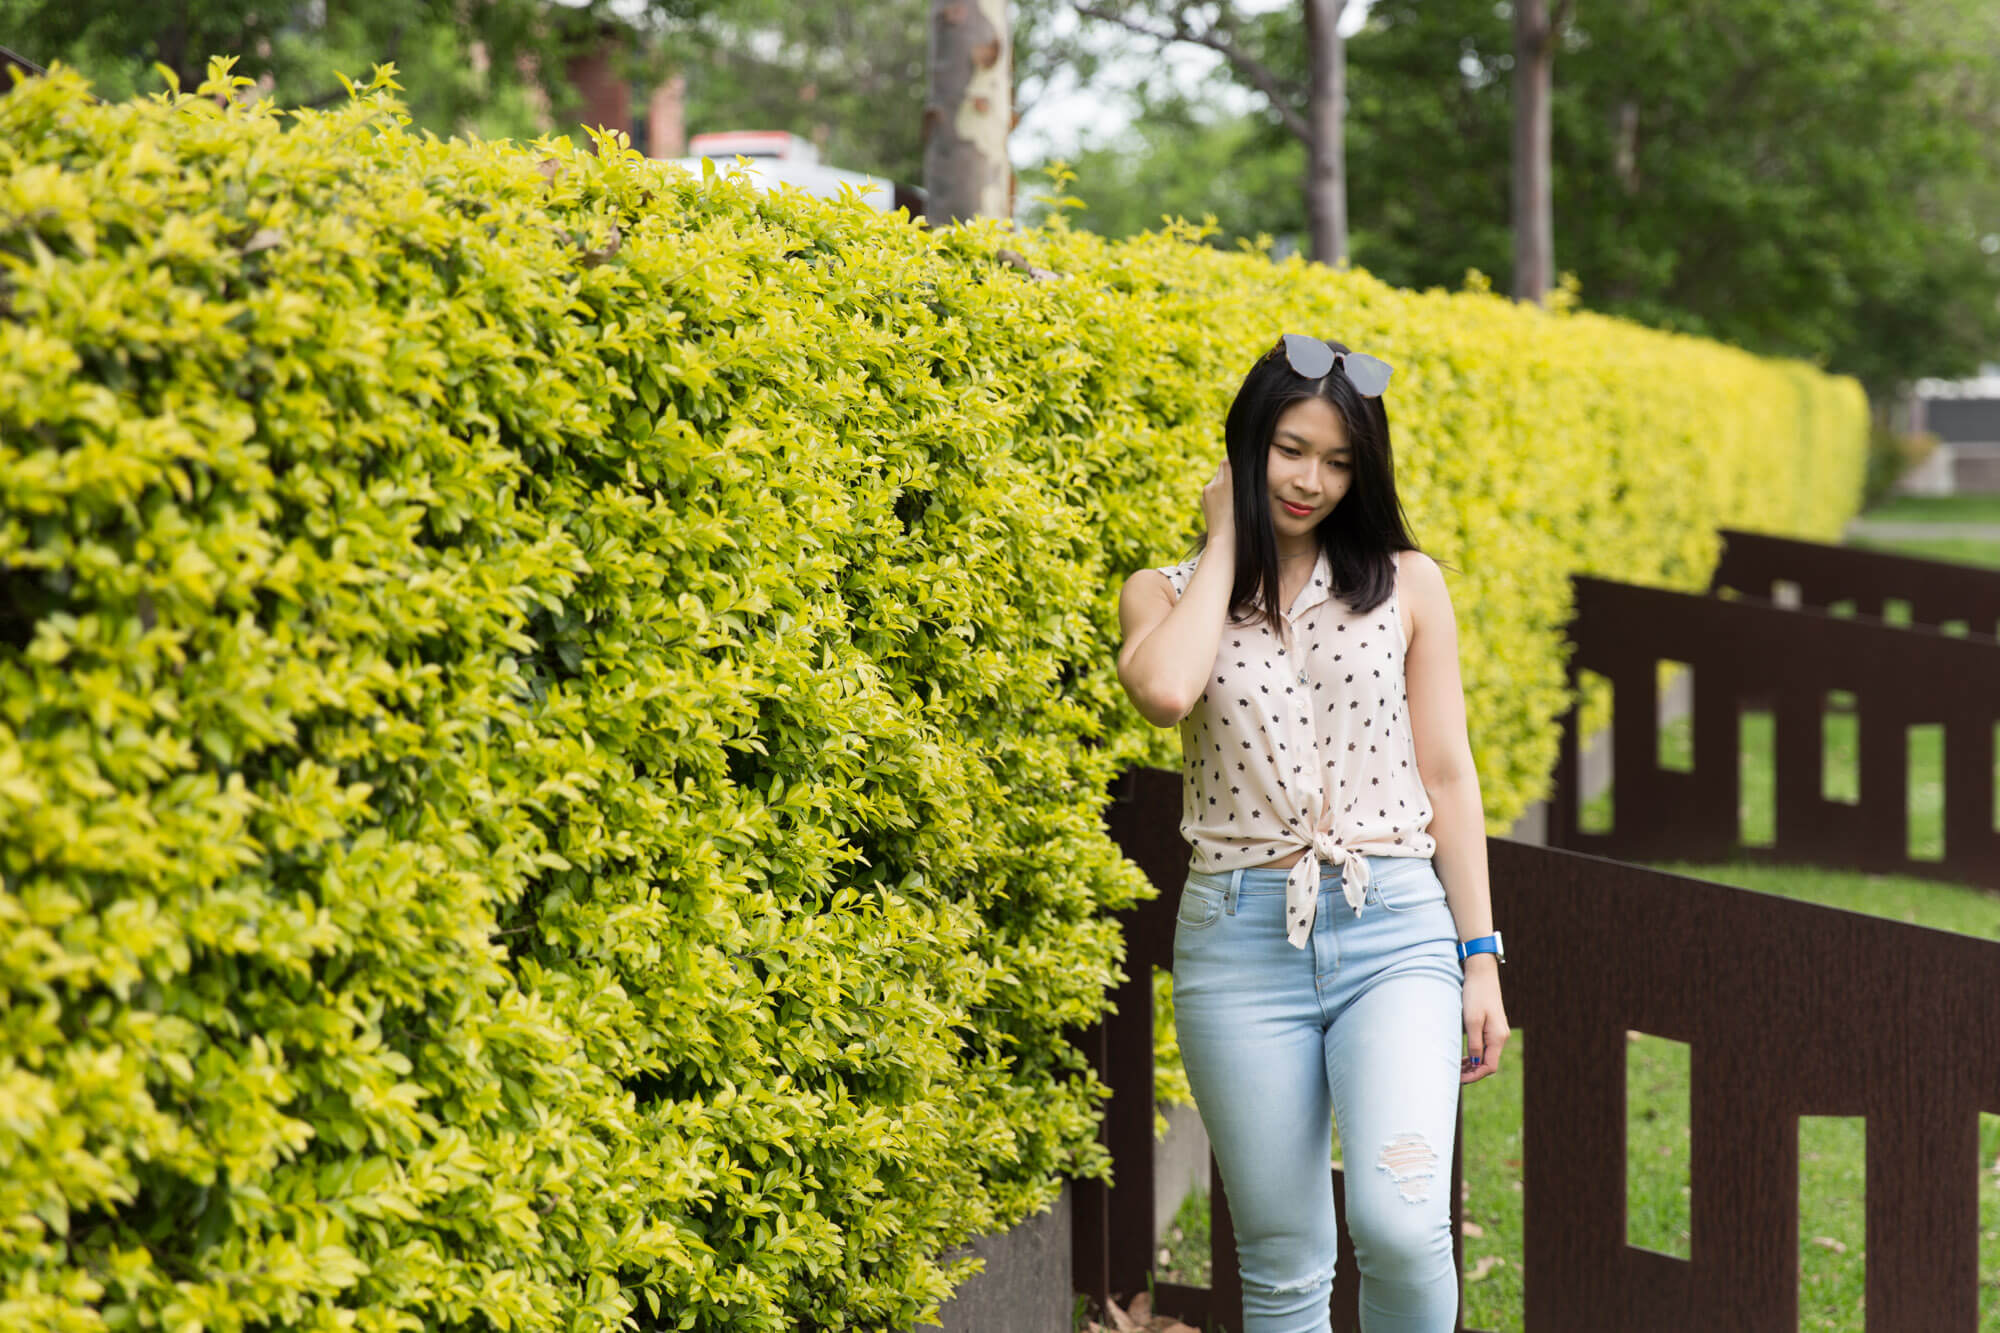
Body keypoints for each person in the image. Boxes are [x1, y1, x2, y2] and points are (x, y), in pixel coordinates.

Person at [1114, 334, 1510, 1333]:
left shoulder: (1405, 583)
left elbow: (1446, 774)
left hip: (1395, 929)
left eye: (1338, 462)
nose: (1309, 480)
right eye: (1289, 449)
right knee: (1284, 1262)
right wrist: (1226, 543)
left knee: (1400, 1218)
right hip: (1237, 942)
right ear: (1246, 444)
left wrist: (1480, 958)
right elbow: (1163, 691)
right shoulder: (1163, 593)